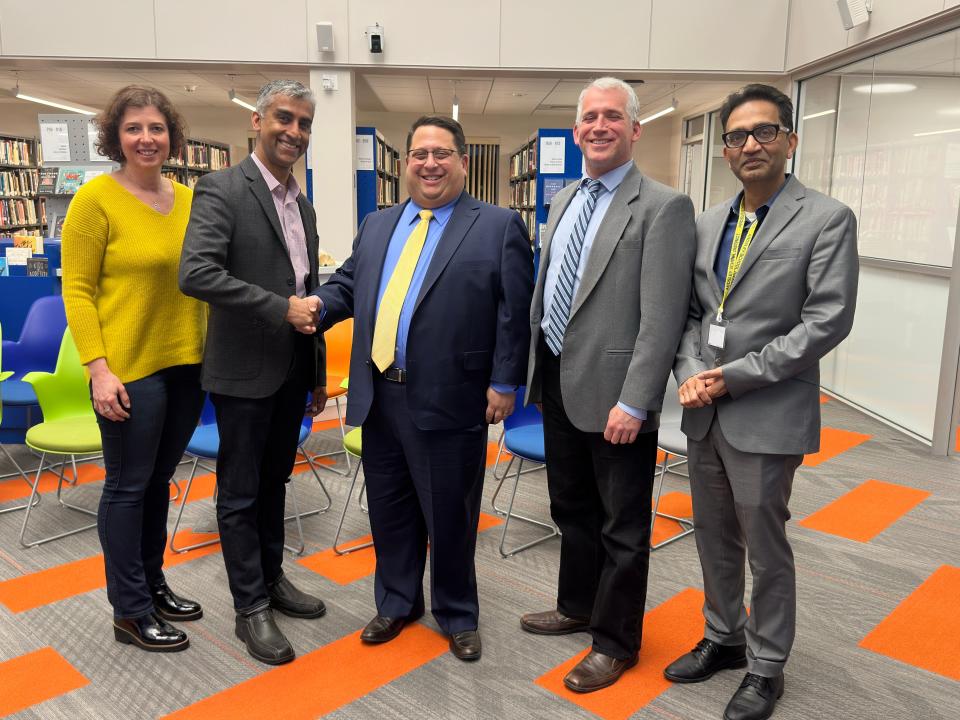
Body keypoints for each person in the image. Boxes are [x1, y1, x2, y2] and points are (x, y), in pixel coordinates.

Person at [664, 84, 859, 720]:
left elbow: (825, 322)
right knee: (714, 535)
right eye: (737, 136)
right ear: (724, 150)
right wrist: (693, 371)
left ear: (790, 140)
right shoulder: (707, 222)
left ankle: (767, 665)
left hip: (766, 409)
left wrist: (734, 375)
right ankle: (722, 635)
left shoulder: (826, 218)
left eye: (764, 132)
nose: (750, 145)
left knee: (765, 545)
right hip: (704, 410)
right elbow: (694, 313)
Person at [313, 115, 533, 661]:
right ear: (406, 163)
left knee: (451, 515)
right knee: (389, 508)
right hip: (379, 391)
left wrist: (505, 382)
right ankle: (396, 602)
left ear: (461, 161)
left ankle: (457, 612)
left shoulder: (497, 225)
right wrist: (315, 307)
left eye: (441, 153)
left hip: (451, 395)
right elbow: (347, 283)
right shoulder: (378, 223)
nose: (429, 163)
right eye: (419, 154)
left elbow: (514, 313)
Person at [521, 77, 697, 692]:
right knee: (571, 509)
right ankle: (577, 605)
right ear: (576, 131)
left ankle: (616, 640)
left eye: (612, 117)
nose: (599, 126)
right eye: (590, 117)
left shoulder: (663, 208)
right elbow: (549, 291)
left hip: (618, 394)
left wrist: (637, 399)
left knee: (622, 525)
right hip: (559, 383)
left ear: (634, 129)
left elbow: (663, 317)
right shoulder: (565, 198)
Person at [179, 80, 327, 666]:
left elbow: (307, 291)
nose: (294, 132)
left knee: (274, 483)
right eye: (284, 119)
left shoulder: (302, 203)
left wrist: (315, 372)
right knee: (240, 492)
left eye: (305, 124)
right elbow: (196, 273)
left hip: (292, 369)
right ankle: (249, 608)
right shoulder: (220, 189)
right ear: (257, 122)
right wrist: (277, 308)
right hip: (243, 370)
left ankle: (272, 579)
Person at [62, 85, 206, 652]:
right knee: (126, 487)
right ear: (115, 138)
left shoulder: (190, 199)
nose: (147, 139)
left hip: (187, 363)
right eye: (134, 129)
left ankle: (153, 582)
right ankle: (129, 609)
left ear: (171, 135)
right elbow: (76, 289)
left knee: (157, 482)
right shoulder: (93, 201)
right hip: (128, 369)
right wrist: (98, 369)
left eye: (156, 128)